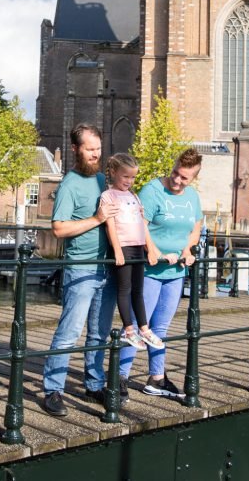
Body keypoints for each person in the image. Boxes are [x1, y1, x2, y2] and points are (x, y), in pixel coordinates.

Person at [41, 123, 119, 417]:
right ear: (75, 149)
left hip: (106, 268)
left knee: (99, 332)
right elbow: (59, 229)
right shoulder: (69, 184)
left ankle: (94, 383)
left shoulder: (102, 180)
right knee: (70, 331)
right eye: (90, 149)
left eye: (98, 148)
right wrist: (97, 218)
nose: (96, 154)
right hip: (81, 268)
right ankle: (53, 389)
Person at [119, 148, 203, 398]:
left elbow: (196, 226)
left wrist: (188, 249)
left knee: (161, 328)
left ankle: (156, 378)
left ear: (193, 178)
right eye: (176, 173)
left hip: (175, 272)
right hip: (150, 270)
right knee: (135, 326)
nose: (177, 181)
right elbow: (139, 224)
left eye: (184, 178)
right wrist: (152, 250)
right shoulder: (153, 191)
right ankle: (120, 378)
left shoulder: (193, 198)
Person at [101, 153, 164, 350]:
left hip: (138, 248)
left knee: (138, 289)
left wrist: (150, 249)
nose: (130, 181)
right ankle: (129, 330)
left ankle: (144, 329)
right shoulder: (108, 196)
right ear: (113, 173)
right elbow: (110, 225)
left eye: (133, 177)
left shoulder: (134, 197)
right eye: (125, 176)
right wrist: (117, 250)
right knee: (125, 288)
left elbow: (142, 225)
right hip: (123, 247)